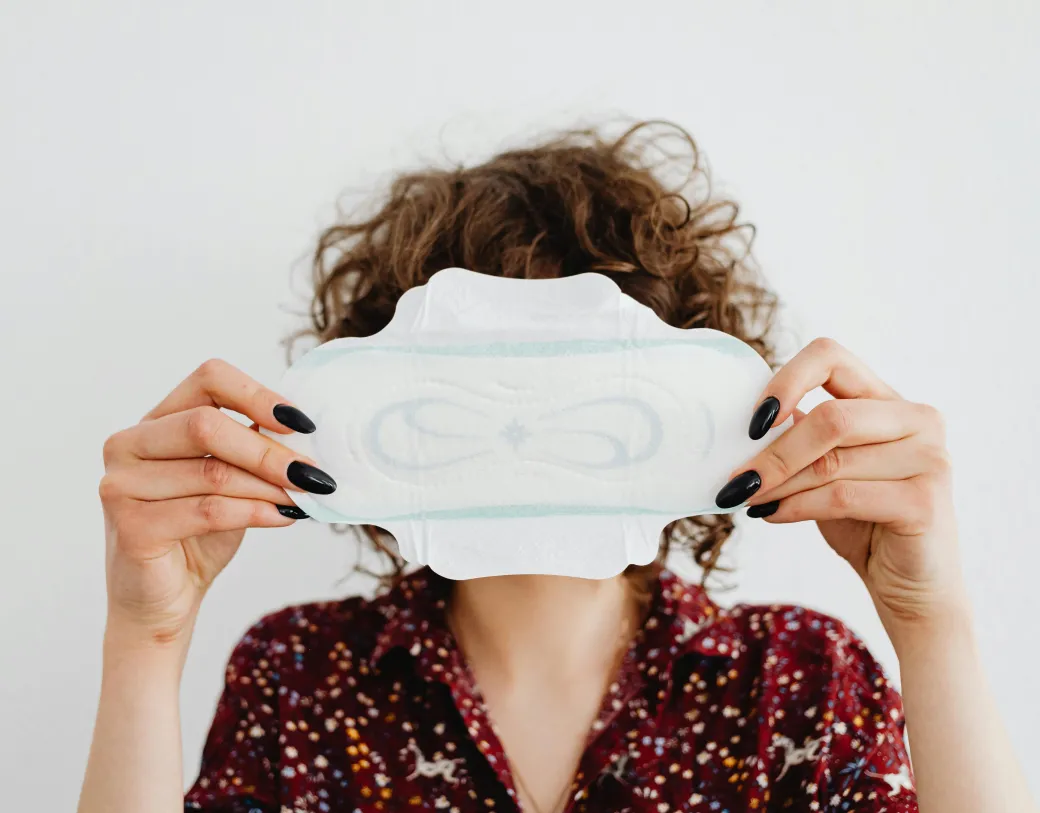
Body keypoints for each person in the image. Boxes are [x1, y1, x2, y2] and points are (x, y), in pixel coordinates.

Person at [78, 121, 1034, 813]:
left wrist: (932, 625)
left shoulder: (800, 680)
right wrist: (145, 642)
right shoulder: (299, 680)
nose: (522, 426)